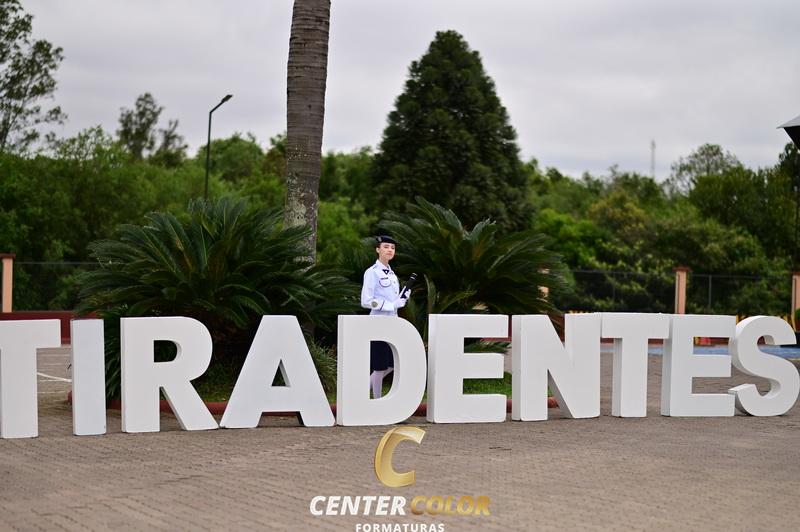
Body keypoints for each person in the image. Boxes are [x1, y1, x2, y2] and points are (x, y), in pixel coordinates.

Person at [360, 235, 410, 398]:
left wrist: (402, 299)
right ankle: (376, 399)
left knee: (391, 364)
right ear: (378, 249)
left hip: (392, 323)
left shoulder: (392, 275)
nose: (390, 250)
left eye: (393, 248)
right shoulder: (372, 272)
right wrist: (390, 305)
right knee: (380, 365)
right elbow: (366, 301)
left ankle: (362, 392)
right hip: (378, 323)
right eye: (386, 247)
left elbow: (393, 300)